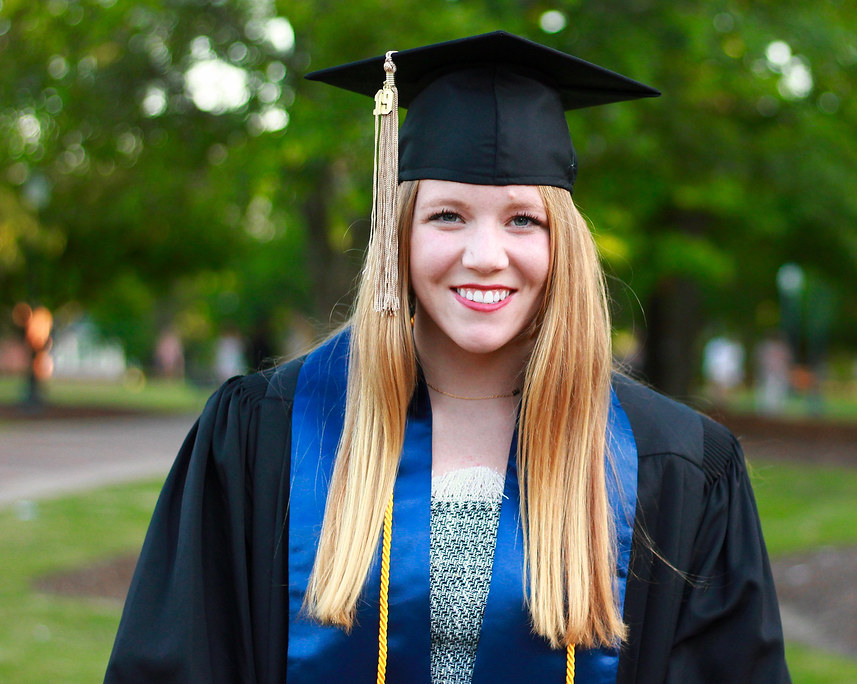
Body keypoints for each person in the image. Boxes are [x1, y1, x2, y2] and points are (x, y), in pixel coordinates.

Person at [105, 32, 790, 683]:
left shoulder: (675, 465)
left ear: (565, 246)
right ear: (398, 231)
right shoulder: (265, 436)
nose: (485, 255)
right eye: (448, 216)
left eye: (523, 219)